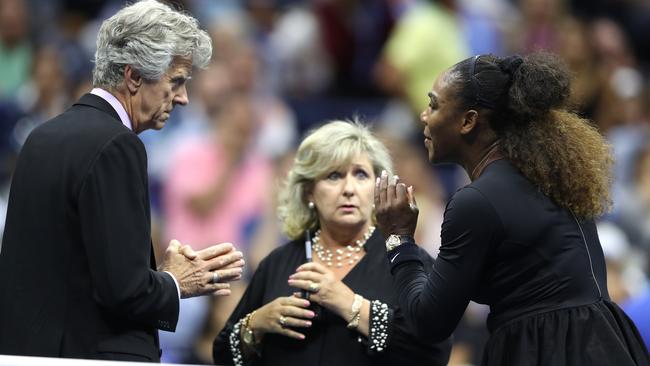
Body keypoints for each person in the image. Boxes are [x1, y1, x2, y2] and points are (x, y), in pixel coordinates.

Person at [0, 0, 245, 362]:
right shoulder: (118, 145)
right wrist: (177, 281)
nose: (183, 98)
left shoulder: (42, 136)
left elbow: (76, 272)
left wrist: (154, 273)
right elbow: (123, 292)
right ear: (133, 77)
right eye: (175, 82)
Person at [374, 52, 650, 365]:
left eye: (434, 104)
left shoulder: (475, 202)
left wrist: (399, 238)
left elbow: (428, 323)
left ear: (468, 121)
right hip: (607, 345)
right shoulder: (554, 176)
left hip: (548, 353)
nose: (424, 116)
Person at [213, 120, 451, 365]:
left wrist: (350, 304)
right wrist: (257, 324)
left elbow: (433, 352)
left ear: (377, 188)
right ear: (309, 192)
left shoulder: (406, 261)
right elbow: (222, 356)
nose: (349, 188)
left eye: (361, 174)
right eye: (334, 176)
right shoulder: (277, 263)